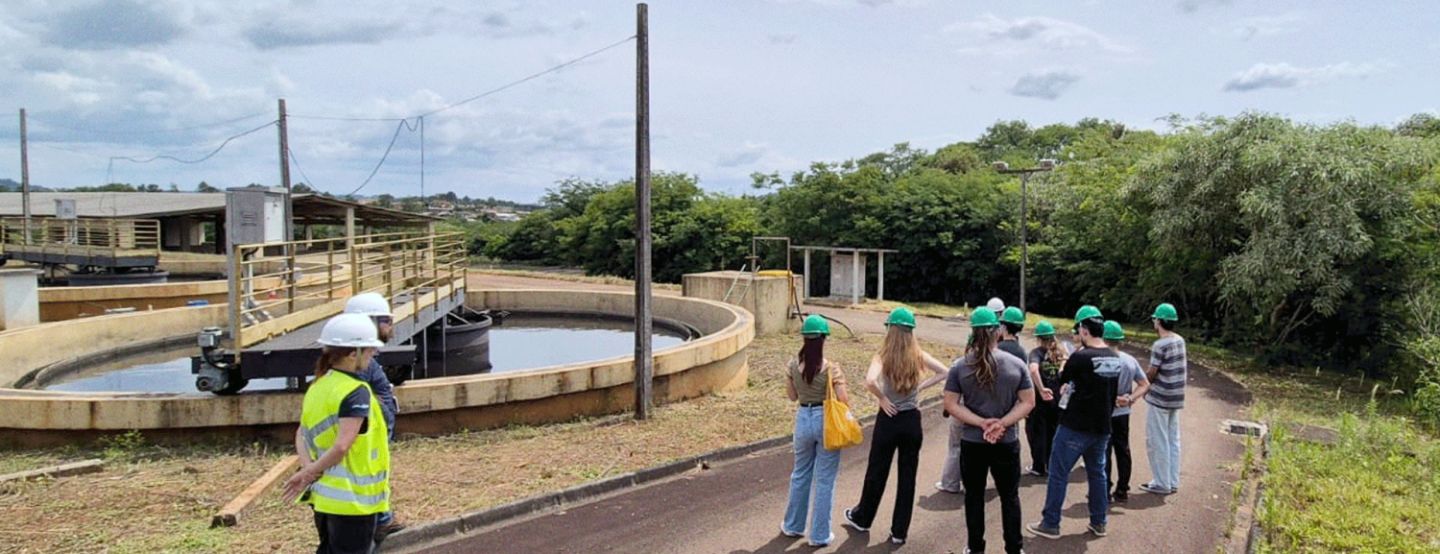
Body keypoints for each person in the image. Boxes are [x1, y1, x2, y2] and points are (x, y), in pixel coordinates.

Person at [282, 313, 391, 554]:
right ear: (353, 353)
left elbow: (301, 434)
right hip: (353, 501)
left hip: (324, 497)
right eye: (370, 349)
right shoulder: (355, 391)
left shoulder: (318, 385)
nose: (373, 353)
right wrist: (308, 472)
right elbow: (342, 446)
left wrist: (309, 469)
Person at [844, 307, 950, 546]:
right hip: (911, 420)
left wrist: (882, 398)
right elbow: (945, 371)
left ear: (890, 329)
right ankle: (899, 531)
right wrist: (920, 388)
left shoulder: (882, 356)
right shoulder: (918, 355)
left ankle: (863, 518)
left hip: (888, 419)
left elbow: (870, 381)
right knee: (907, 477)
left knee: (877, 471)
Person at [1027, 305, 1122, 540]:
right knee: (1097, 474)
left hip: (1075, 426)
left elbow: (1063, 378)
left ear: (1084, 330)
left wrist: (1067, 361)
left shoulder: (1080, 357)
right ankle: (1099, 522)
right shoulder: (1114, 357)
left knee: (1058, 473)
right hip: (1102, 427)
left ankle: (1051, 523)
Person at [946, 308, 1036, 554]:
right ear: (998, 332)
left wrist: (981, 423)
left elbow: (951, 404)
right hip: (1006, 441)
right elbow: (1028, 402)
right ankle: (1014, 548)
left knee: (974, 497)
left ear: (973, 333)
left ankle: (975, 548)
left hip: (973, 442)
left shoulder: (960, 366)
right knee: (1010, 497)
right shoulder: (1016, 364)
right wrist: (1002, 423)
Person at [781, 315, 850, 547]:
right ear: (823, 339)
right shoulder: (831, 369)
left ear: (804, 338)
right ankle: (819, 535)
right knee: (824, 480)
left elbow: (792, 397)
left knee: (800, 474)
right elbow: (843, 399)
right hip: (825, 422)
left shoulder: (792, 366)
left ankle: (793, 525)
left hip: (803, 418)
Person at [342, 292, 405, 539]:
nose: (391, 326)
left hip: (377, 434)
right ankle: (378, 521)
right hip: (369, 437)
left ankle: (380, 518)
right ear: (369, 322)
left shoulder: (367, 358)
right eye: (386, 320)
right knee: (368, 475)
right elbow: (355, 397)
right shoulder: (358, 361)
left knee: (376, 475)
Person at [936, 298, 1011, 494]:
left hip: (965, 411)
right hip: (998, 414)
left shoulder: (962, 363)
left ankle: (951, 482)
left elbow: (951, 398)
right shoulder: (1011, 355)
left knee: (956, 446)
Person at [1141, 303, 1187, 496]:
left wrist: (1143, 386)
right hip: (1176, 396)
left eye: (1155, 319)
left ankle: (1161, 483)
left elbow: (1153, 371)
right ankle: (1172, 480)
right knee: (1173, 439)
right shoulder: (1179, 340)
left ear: (1159, 321)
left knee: (1157, 440)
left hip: (1161, 397)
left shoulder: (1160, 345)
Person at [1102, 320, 1150, 503]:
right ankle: (1122, 489)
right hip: (1123, 413)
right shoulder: (1129, 360)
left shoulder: (1100, 361)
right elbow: (1144, 384)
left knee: (1104, 453)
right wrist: (1130, 398)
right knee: (1123, 450)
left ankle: (1104, 489)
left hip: (1104, 413)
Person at [1024, 321, 1068, 477]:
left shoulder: (1036, 353)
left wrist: (1041, 388)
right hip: (1057, 398)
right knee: (1053, 432)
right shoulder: (1061, 352)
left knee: (1037, 433)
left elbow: (1033, 370)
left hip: (1041, 400)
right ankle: (1051, 464)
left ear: (1038, 338)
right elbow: (1065, 368)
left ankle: (1038, 466)